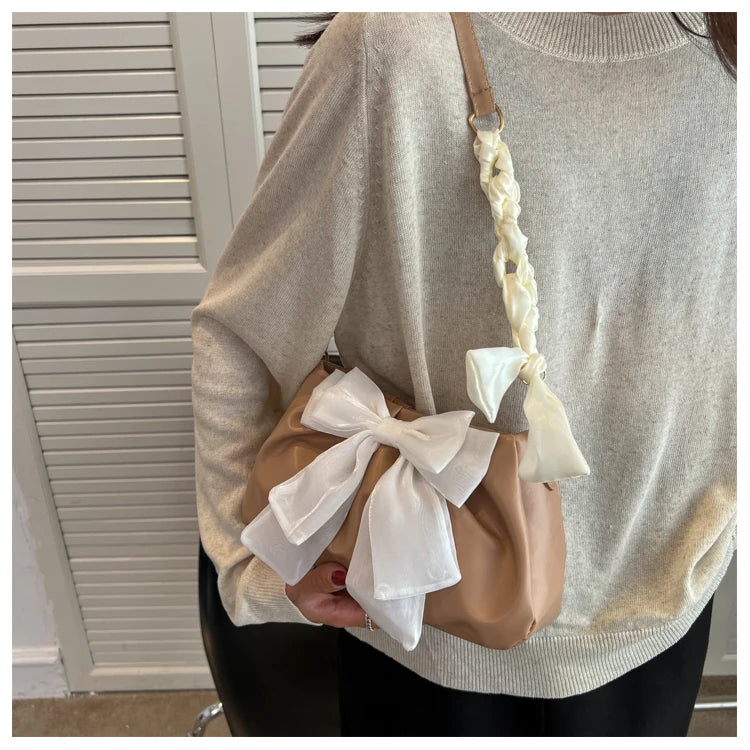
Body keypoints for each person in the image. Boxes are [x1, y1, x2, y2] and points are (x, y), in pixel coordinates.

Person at [190, 12, 736, 736]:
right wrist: (252, 564)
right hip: (433, 628)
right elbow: (242, 331)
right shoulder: (393, 49)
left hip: (665, 615)